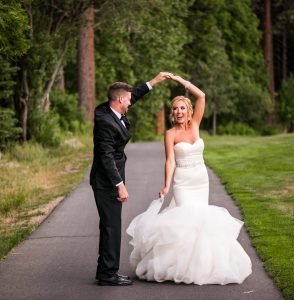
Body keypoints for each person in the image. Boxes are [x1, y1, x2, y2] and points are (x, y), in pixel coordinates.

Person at [127, 74, 252, 285]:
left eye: (182, 108)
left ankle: (201, 267)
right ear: (172, 113)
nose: (179, 112)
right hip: (183, 181)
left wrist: (180, 80)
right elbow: (170, 162)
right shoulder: (170, 134)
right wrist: (166, 184)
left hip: (201, 179)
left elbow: (201, 96)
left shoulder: (195, 125)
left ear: (189, 111)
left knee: (201, 220)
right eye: (175, 109)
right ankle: (178, 266)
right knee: (186, 217)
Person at [90, 72, 172, 286]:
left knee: (110, 226)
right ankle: (108, 274)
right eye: (127, 99)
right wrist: (120, 185)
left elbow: (132, 94)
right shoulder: (106, 123)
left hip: (109, 179)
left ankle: (105, 271)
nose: (130, 101)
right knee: (111, 227)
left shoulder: (109, 110)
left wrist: (153, 82)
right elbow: (106, 158)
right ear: (119, 100)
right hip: (106, 181)